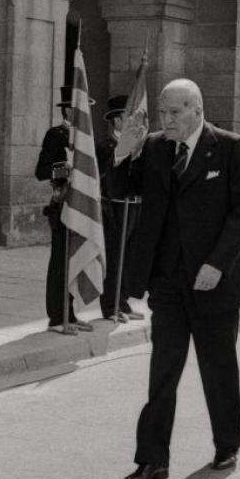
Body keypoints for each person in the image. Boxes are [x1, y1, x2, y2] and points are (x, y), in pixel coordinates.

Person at [109, 79, 240, 479]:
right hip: (168, 281)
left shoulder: (230, 148)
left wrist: (217, 264)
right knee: (163, 372)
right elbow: (120, 190)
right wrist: (122, 153)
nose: (166, 120)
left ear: (197, 109)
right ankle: (152, 459)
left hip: (213, 281)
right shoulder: (155, 147)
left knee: (218, 370)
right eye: (162, 112)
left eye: (174, 112)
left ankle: (227, 444)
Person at [36, 86, 94, 335]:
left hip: (81, 206)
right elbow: (41, 171)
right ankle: (57, 318)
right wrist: (65, 168)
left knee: (74, 261)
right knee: (60, 264)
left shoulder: (84, 138)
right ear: (69, 110)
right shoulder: (56, 135)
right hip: (62, 205)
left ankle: (70, 314)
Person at [95, 95, 143, 323]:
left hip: (135, 205)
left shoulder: (140, 146)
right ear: (116, 120)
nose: (133, 120)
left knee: (130, 257)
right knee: (115, 258)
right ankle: (110, 306)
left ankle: (123, 302)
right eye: (127, 116)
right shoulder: (105, 147)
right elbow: (104, 179)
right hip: (114, 208)